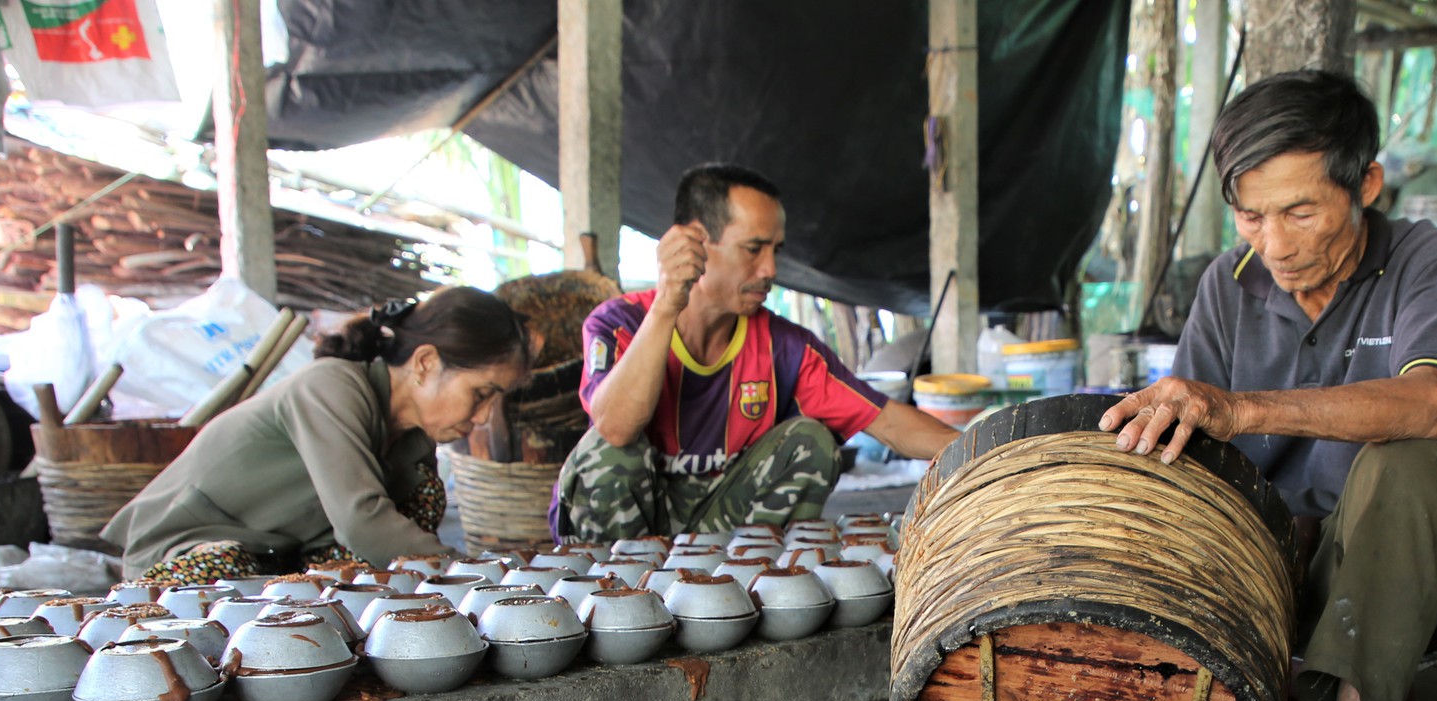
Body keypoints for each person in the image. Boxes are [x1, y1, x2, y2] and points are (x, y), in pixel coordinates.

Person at [1099, 70, 1437, 701]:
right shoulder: (1227, 284)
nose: (1274, 244)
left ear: (1365, 182)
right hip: (1260, 567)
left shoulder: (1426, 262)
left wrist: (1239, 407)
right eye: (1250, 216)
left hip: (1379, 571)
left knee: (1407, 460)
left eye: (1300, 211)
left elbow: (1434, 403)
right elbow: (1189, 446)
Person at [558, 163, 960, 539]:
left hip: (719, 534)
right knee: (607, 454)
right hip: (627, 547)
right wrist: (667, 304)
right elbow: (615, 428)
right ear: (695, 242)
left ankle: (744, 587)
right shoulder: (618, 322)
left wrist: (994, 453)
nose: (770, 269)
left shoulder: (784, 346)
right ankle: (621, 605)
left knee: (811, 441)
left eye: (776, 250)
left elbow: (889, 422)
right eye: (753, 248)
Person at [103, 288, 531, 581]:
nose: (483, 417)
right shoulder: (331, 386)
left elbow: (388, 544)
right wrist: (476, 577)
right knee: (227, 570)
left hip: (271, 557)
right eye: (482, 393)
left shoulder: (413, 441)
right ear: (425, 363)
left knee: (421, 499)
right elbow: (361, 521)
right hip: (183, 554)